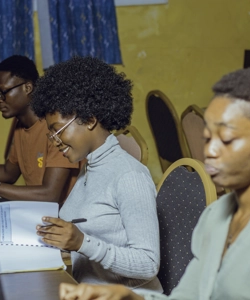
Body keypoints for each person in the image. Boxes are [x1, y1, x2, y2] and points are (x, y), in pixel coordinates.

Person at [58, 67, 250, 300]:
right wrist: (129, 296)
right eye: (207, 138)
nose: (210, 151)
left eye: (227, 139)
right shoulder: (216, 215)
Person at [32, 56, 162, 293]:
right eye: (51, 135)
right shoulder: (89, 167)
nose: (55, 142)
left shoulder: (129, 176)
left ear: (90, 119)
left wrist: (82, 242)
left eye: (58, 131)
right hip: (88, 291)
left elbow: (148, 264)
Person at [0, 55, 80, 204]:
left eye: (3, 92)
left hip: (66, 220)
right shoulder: (20, 126)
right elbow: (8, 173)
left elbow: (49, 195)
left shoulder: (58, 127)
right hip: (40, 213)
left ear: (28, 88)